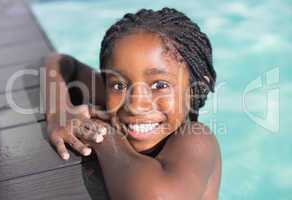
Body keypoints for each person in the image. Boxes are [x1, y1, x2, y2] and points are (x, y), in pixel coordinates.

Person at [45, 7, 221, 200]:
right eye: (119, 84)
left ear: (196, 89)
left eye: (160, 85)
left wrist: (102, 135)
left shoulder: (197, 140)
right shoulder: (118, 100)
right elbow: (60, 62)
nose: (136, 104)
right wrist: (60, 112)